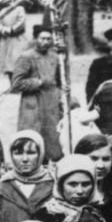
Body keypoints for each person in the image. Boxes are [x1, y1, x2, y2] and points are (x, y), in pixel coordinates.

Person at [12, 25, 66, 160]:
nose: (45, 42)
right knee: (32, 140)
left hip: (51, 105)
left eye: (48, 39)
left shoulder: (55, 57)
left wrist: (61, 93)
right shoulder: (26, 57)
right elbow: (16, 84)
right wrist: (39, 82)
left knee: (53, 140)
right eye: (42, 38)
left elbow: (60, 81)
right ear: (36, 38)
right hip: (33, 105)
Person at [0, 0, 27, 82]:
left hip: (17, 38)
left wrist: (11, 29)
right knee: (7, 63)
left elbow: (21, 21)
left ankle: (18, 82)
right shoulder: (3, 11)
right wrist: (3, 29)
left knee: (16, 60)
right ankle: (11, 83)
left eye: (13, 0)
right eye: (9, 0)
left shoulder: (20, 9)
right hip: (6, 39)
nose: (11, 2)